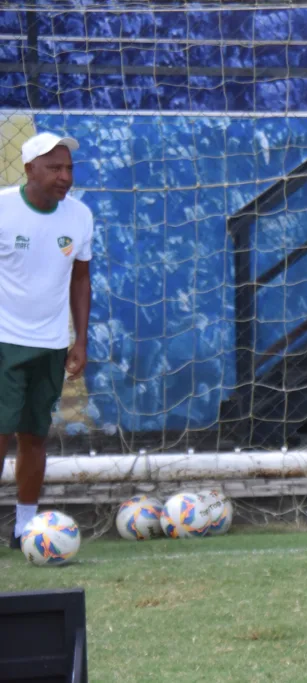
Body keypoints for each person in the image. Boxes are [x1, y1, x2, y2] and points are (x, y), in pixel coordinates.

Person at [1, 132, 93, 549]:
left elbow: (81, 278)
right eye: (55, 167)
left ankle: (25, 527)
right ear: (29, 169)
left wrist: (80, 341)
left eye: (69, 168)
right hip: (3, 340)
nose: (64, 176)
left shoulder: (80, 217)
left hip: (52, 344)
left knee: (34, 436)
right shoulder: (2, 209)